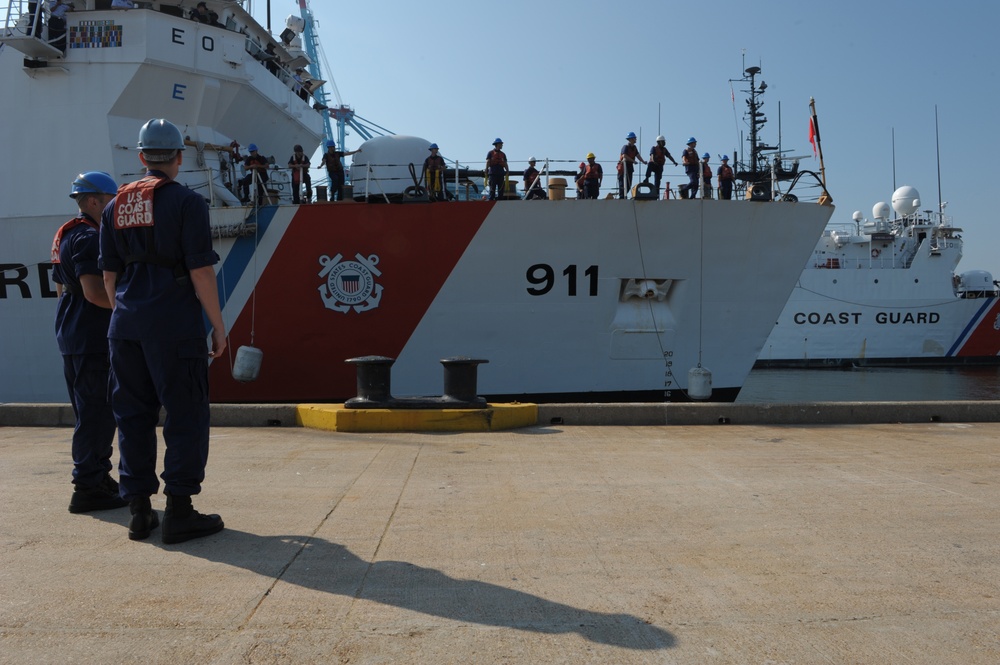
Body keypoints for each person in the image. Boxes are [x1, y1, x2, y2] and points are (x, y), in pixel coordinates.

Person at [99, 118, 226, 544]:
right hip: (173, 325)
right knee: (185, 415)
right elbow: (201, 272)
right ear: (178, 157)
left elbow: (109, 278)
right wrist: (218, 328)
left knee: (132, 416)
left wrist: (127, 316)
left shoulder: (115, 205)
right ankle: (180, 511)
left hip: (125, 327)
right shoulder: (187, 203)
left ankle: (138, 511)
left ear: (140, 156)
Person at [52, 171, 128, 515]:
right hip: (90, 337)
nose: (115, 207)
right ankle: (86, 486)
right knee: (96, 413)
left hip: (75, 332)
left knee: (95, 411)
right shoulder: (89, 237)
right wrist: (135, 306)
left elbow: (60, 287)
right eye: (112, 200)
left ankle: (98, 476)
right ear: (95, 200)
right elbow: (95, 293)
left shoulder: (68, 233)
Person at [618, 131, 646, 200]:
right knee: (622, 183)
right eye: (634, 138)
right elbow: (624, 155)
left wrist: (643, 161)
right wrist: (633, 161)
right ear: (631, 139)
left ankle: (624, 195)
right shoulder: (625, 147)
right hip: (624, 166)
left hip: (630, 167)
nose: (635, 139)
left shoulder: (634, 148)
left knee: (629, 183)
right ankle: (622, 197)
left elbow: (637, 155)